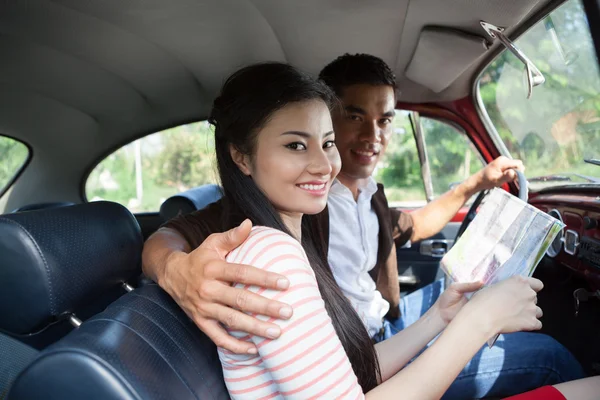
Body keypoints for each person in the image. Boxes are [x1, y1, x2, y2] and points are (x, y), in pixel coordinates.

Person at [142, 55, 584, 398]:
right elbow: (169, 235)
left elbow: (346, 373)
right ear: (241, 156)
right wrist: (480, 323)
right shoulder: (268, 252)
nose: (322, 163)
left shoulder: (292, 232)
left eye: (326, 143)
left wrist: (439, 319)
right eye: (296, 145)